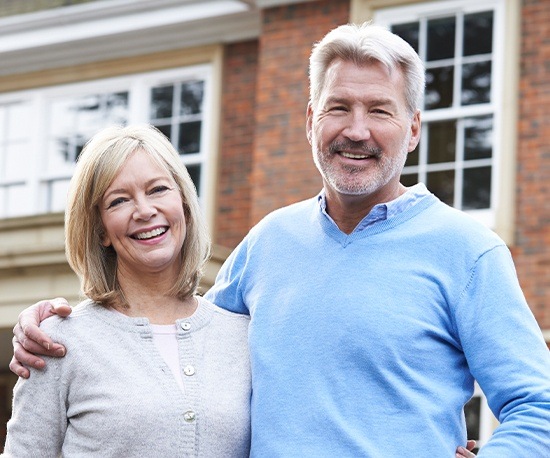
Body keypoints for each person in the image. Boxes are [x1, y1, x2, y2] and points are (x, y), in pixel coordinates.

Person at [10, 22, 550, 456]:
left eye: (379, 110)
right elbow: (177, 335)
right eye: (338, 107)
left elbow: (537, 407)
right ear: (311, 120)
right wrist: (58, 323)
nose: (356, 130)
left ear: (412, 128)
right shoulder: (266, 245)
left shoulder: (467, 251)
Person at [4, 124, 251, 456]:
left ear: (185, 206)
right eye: (119, 200)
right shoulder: (59, 343)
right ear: (101, 230)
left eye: (158, 189)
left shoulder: (243, 336)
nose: (145, 210)